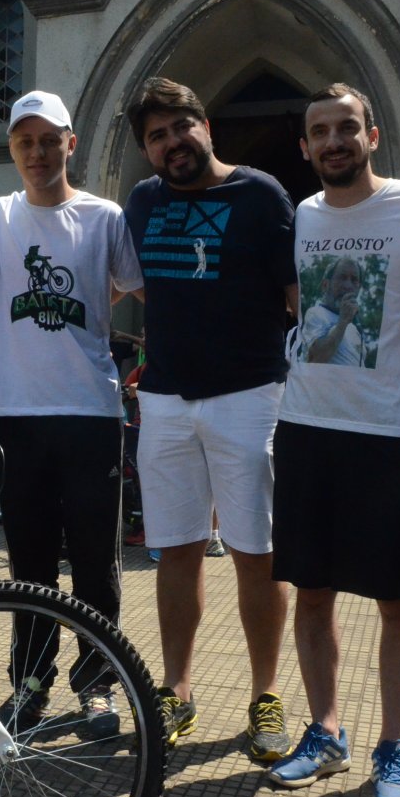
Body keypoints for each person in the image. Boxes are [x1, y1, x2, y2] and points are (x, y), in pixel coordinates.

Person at [266, 85, 400, 797]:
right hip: (307, 429)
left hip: (391, 437)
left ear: (373, 134)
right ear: (306, 147)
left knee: (399, 603)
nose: (335, 140)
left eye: (348, 127)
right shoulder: (303, 215)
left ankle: (392, 747)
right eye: (321, 131)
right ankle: (326, 729)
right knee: (311, 593)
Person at [122, 76, 294, 757]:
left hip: (249, 397)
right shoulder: (142, 200)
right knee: (177, 551)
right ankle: (178, 689)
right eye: (157, 137)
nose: (172, 144)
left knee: (257, 552)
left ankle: (265, 696)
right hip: (164, 399)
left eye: (180, 128)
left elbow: (297, 298)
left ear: (207, 126)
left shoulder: (260, 195)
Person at [0, 90, 144, 739]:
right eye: (25, 141)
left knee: (96, 562)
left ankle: (97, 684)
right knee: (32, 562)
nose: (38, 153)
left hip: (91, 413)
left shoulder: (105, 218)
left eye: (50, 140)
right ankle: (30, 682)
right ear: (13, 148)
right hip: (18, 415)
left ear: (71, 144)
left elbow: (138, 285)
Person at [302, 257, 364, 366]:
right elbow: (315, 359)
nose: (348, 286)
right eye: (342, 278)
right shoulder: (315, 313)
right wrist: (343, 321)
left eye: (354, 280)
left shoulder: (355, 329)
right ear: (325, 285)